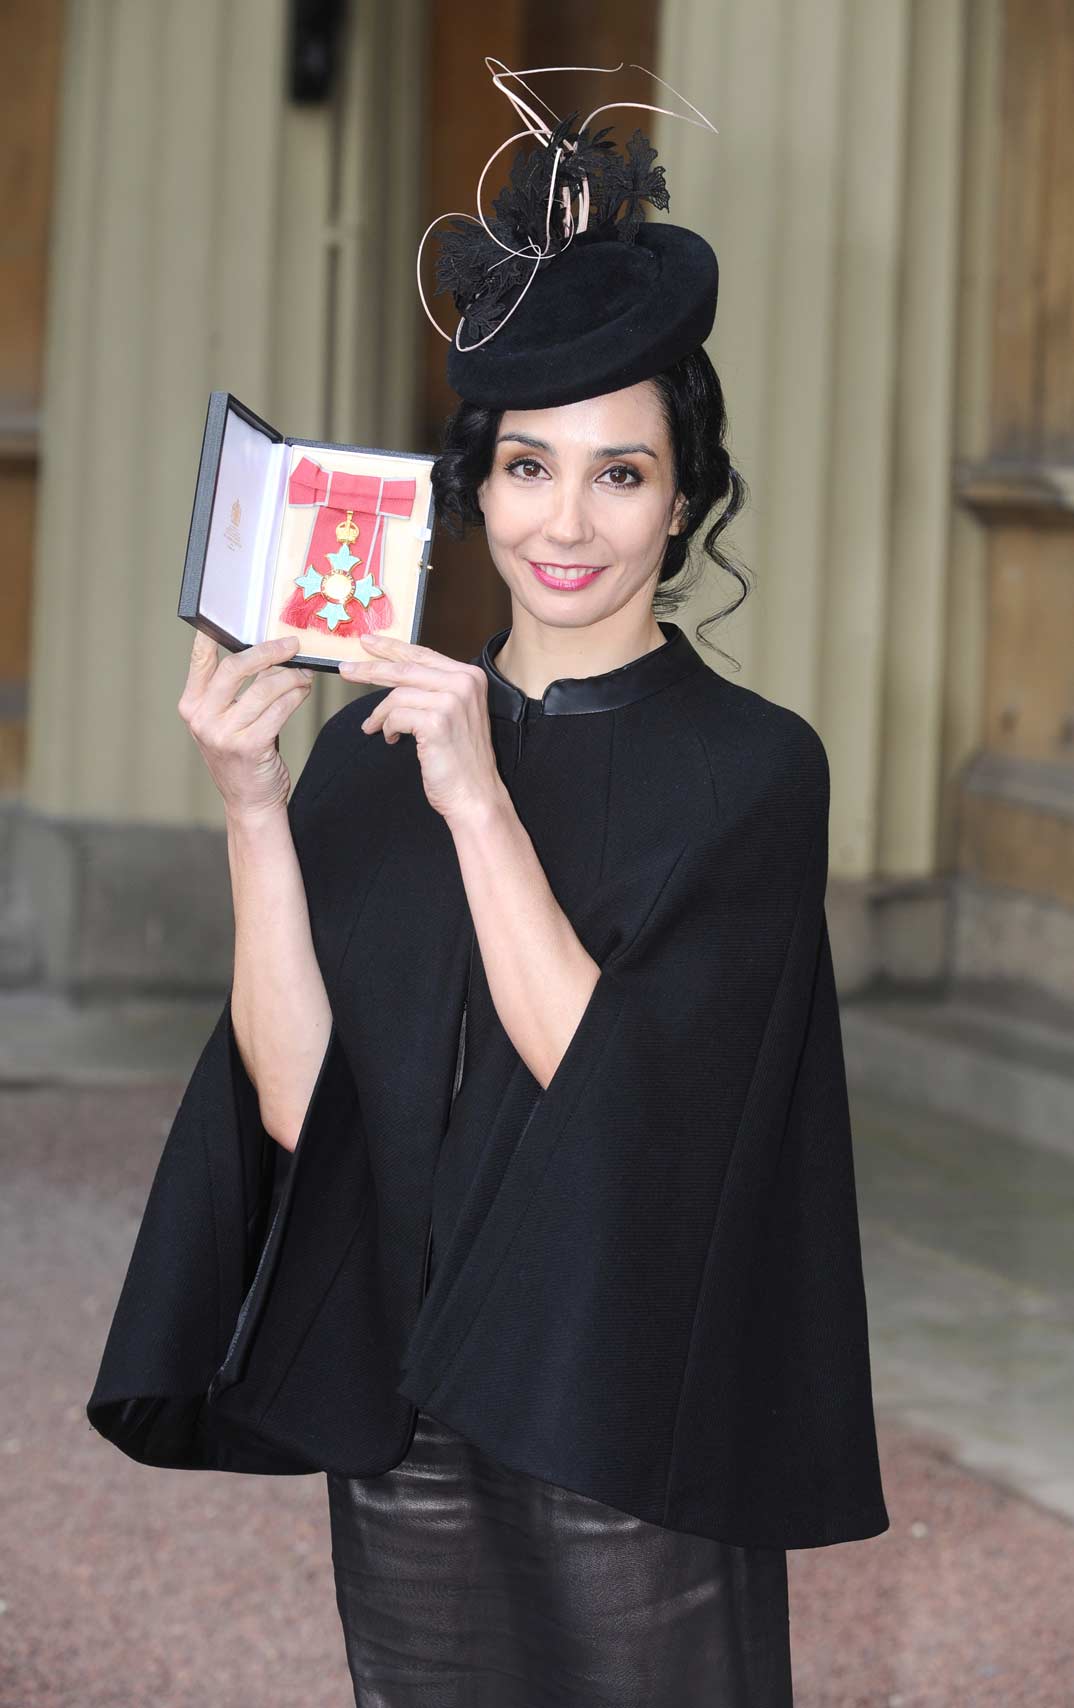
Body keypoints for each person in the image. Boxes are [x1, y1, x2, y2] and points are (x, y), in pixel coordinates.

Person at [87, 59, 889, 1707]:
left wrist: (479, 802)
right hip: (408, 1401)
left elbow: (617, 1105)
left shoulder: (751, 770)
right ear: (476, 488)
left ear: (683, 506)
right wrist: (255, 804)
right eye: (528, 468)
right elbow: (307, 1105)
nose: (564, 524)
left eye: (619, 473)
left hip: (628, 1406)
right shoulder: (372, 748)